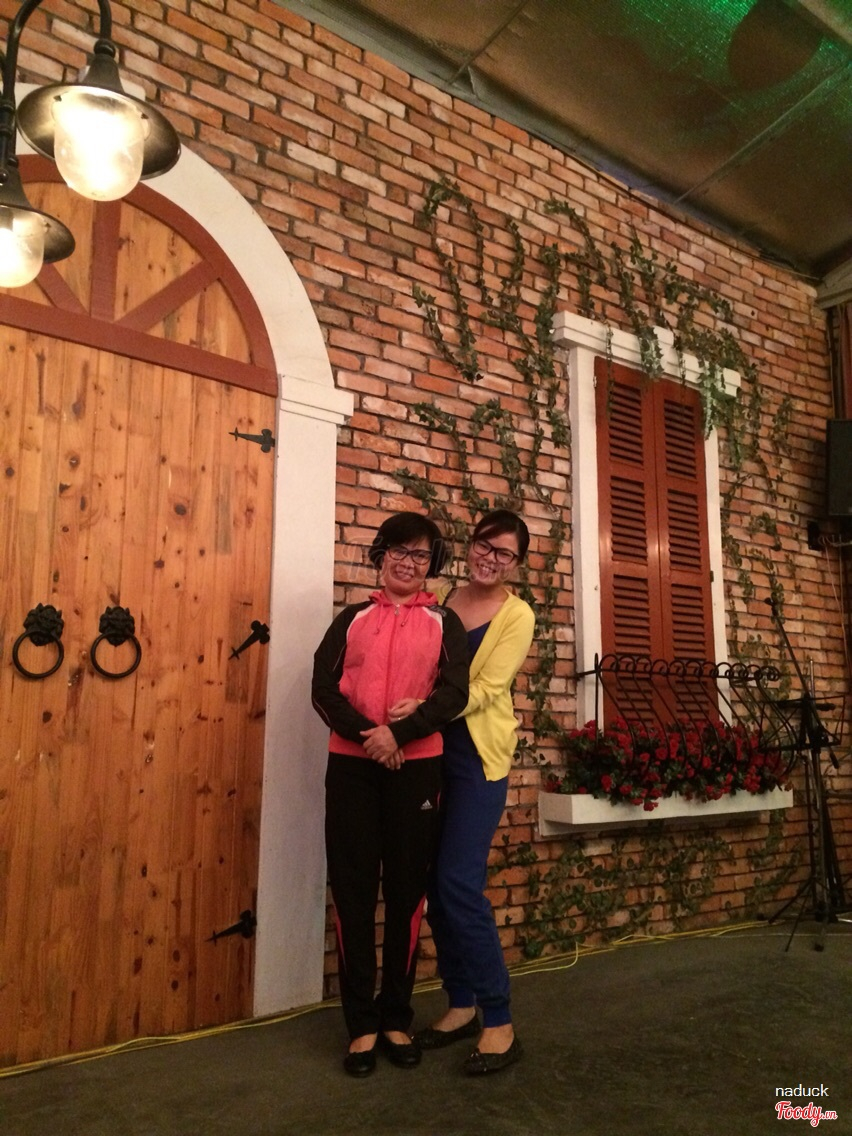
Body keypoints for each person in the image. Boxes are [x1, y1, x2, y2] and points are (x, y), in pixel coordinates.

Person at [311, 511, 469, 1078]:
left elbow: (453, 694)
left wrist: (400, 735)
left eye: (420, 554)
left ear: (432, 564)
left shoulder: (444, 622)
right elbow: (323, 689)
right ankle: (361, 1025)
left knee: (406, 893)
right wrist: (372, 738)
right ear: (380, 557)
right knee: (353, 892)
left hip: (416, 771)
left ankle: (396, 1017)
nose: (408, 561)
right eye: (398, 550)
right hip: (351, 771)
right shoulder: (351, 619)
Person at [398, 509, 535, 1074]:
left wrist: (425, 710)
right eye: (485, 544)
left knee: (458, 882)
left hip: (477, 760)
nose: (490, 558)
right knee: (433, 884)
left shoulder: (517, 615)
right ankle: (461, 1004)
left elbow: (485, 688)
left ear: (516, 564)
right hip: (429, 755)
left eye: (504, 553)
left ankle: (499, 1020)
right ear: (471, 543)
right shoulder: (444, 598)